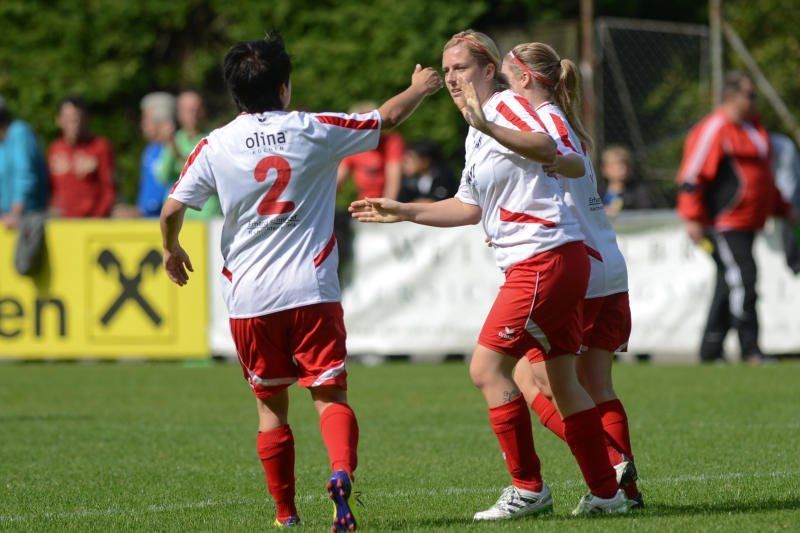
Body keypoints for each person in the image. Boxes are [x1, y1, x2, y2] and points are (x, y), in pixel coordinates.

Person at [160, 32, 442, 530]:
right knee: (330, 394)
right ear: (284, 87)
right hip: (311, 289)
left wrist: (171, 248)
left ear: (234, 92)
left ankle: (286, 515)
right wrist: (419, 87)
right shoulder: (314, 128)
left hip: (250, 298)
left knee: (271, 409)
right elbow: (386, 118)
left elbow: (171, 209)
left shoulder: (214, 145)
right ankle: (340, 473)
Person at [350, 29, 628, 520]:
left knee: (487, 370)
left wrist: (489, 125)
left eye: (461, 68)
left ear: (488, 70)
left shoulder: (503, 108)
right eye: (447, 70)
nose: (451, 78)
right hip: (551, 260)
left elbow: (547, 144)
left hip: (543, 258)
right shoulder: (477, 129)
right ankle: (608, 492)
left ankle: (528, 488)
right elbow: (468, 207)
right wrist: (404, 210)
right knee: (562, 381)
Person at [501, 41, 642, 508]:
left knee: (527, 377)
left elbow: (560, 164)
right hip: (609, 265)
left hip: (580, 268)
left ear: (525, 78)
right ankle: (626, 491)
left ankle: (609, 466)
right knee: (596, 384)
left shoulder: (543, 123)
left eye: (505, 76)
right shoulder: (564, 121)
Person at [677, 71, 793, 364]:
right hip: (724, 223)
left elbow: (763, 179)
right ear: (732, 96)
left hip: (750, 222)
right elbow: (692, 176)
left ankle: (710, 349)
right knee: (744, 277)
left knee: (729, 280)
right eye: (750, 95)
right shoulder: (716, 127)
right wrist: (692, 216)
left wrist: (783, 208)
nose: (755, 101)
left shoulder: (754, 130)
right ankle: (750, 346)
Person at [156, 90, 222, 220]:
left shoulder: (214, 139)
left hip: (206, 215)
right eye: (188, 110)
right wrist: (170, 144)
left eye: (197, 109)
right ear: (179, 114)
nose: (194, 114)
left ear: (203, 111)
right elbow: (162, 177)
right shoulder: (175, 139)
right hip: (177, 216)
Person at [47, 97, 116, 218]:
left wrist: (97, 217)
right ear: (58, 120)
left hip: (91, 222)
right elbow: (50, 189)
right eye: (68, 118)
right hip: (62, 222)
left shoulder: (100, 147)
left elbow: (109, 189)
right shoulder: (55, 149)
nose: (74, 123)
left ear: (86, 119)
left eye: (77, 118)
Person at [337, 102, 405, 200]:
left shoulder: (391, 142)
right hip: (365, 202)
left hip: (390, 202)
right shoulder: (354, 147)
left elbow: (393, 183)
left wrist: (386, 206)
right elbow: (338, 180)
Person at [0, 96, 48, 229]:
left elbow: (25, 174)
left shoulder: (19, 132)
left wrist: (16, 212)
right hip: (6, 216)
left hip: (28, 216)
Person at [137, 92, 175, 218]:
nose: (142, 124)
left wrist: (141, 211)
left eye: (145, 119)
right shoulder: (150, 149)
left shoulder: (172, 150)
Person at [600, 145, 658, 217]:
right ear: (604, 169)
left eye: (626, 165)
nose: (623, 169)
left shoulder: (640, 192)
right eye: (616, 165)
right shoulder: (596, 192)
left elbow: (647, 214)